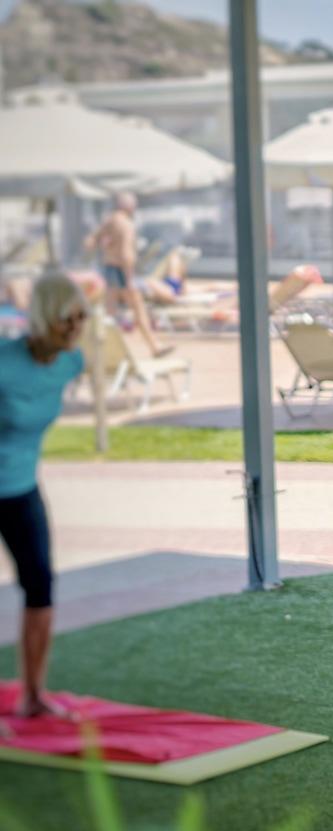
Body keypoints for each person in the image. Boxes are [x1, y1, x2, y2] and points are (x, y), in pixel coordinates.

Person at [0, 273, 88, 718]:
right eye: (65, 319)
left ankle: (33, 697)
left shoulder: (73, 363)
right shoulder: (2, 361)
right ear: (41, 320)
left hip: (20, 488)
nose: (74, 328)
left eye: (81, 317)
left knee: (41, 588)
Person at [85, 193, 172, 356]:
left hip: (109, 268)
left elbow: (90, 242)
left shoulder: (110, 220)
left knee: (110, 312)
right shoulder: (126, 224)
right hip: (122, 271)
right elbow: (126, 254)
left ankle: (102, 351)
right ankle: (154, 346)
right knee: (138, 308)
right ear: (129, 206)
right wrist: (130, 277)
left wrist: (107, 247)